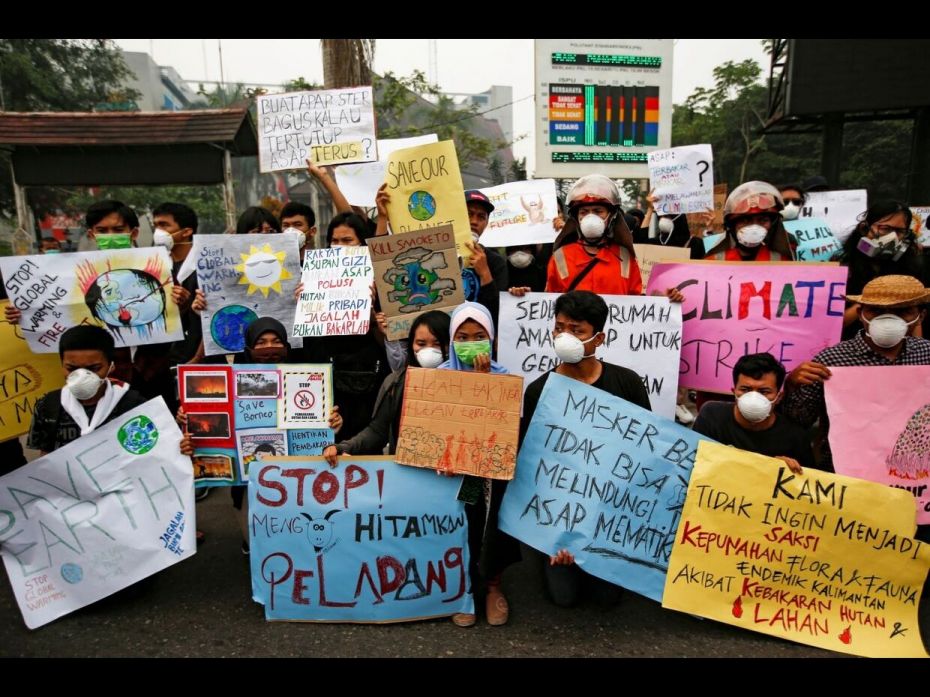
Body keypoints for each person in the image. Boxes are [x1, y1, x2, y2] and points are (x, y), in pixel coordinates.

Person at [520, 291, 651, 607]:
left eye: (576, 330)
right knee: (565, 598)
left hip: (610, 516)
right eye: (560, 327)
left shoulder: (627, 383)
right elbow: (536, 469)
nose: (565, 336)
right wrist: (553, 536)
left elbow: (646, 449)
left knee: (606, 600)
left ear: (598, 337)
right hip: (562, 516)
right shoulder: (540, 390)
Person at [179, 316, 343, 554]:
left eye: (276, 341)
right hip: (246, 478)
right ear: (248, 349)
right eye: (261, 342)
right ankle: (255, 550)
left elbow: (323, 421)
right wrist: (187, 417)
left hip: (294, 470)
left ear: (287, 346)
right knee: (253, 530)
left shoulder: (307, 378)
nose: (269, 348)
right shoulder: (230, 380)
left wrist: (334, 422)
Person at [782, 275, 930, 477]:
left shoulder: (927, 354)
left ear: (920, 316)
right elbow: (799, 420)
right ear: (861, 314)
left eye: (901, 311)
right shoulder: (831, 360)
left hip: (916, 475)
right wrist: (791, 385)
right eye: (876, 311)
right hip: (847, 473)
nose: (887, 319)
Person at [439, 302, 519, 627]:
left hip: (490, 474)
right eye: (463, 336)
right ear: (451, 341)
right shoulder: (436, 378)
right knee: (462, 527)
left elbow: (504, 431)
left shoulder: (505, 379)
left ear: (492, 339)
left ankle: (493, 587)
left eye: (479, 335)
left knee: (491, 525)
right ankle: (465, 588)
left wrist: (484, 382)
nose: (471, 342)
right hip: (451, 474)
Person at [301, 213, 389, 442]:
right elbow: (310, 340)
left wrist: (370, 312)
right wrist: (303, 302)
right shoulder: (313, 276)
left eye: (348, 240)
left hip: (366, 380)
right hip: (328, 375)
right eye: (334, 240)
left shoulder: (379, 281)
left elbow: (387, 344)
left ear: (362, 243)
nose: (339, 246)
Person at [322, 310, 451, 460]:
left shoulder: (470, 384)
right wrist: (343, 447)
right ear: (411, 345)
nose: (428, 350)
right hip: (411, 476)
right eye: (421, 343)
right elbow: (378, 431)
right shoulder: (397, 383)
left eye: (437, 344)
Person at [27, 325, 148, 455]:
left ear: (111, 366)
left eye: (94, 368)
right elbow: (45, 460)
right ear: (61, 365)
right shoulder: (48, 405)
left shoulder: (134, 405)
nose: (82, 376)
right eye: (71, 369)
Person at [692, 352, 815, 473]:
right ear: (734, 392)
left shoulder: (795, 436)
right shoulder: (712, 416)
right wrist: (765, 466)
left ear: (779, 397)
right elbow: (692, 461)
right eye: (745, 389)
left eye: (764, 391)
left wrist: (788, 472)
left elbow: (810, 483)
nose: (754, 397)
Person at [132, 202, 201, 414]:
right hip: (162, 364)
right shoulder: (155, 267)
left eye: (164, 225)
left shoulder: (205, 265)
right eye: (155, 226)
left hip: (196, 361)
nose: (158, 232)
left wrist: (196, 360)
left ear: (186, 231)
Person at [838, 201, 927, 340]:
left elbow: (914, 321)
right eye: (885, 228)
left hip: (897, 346)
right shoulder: (841, 267)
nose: (893, 237)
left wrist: (919, 353)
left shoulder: (910, 266)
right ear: (864, 228)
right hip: (851, 346)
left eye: (900, 231)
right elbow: (835, 323)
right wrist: (871, 298)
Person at [545, 175, 642, 295]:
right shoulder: (560, 256)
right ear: (577, 218)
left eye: (598, 211)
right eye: (584, 212)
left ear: (611, 217)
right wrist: (522, 296)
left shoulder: (626, 257)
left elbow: (638, 303)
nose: (590, 217)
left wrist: (668, 299)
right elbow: (548, 302)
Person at [704, 181, 791, 261]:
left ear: (773, 224)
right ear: (732, 226)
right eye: (745, 221)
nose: (754, 227)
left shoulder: (783, 262)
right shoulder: (713, 262)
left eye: (763, 220)